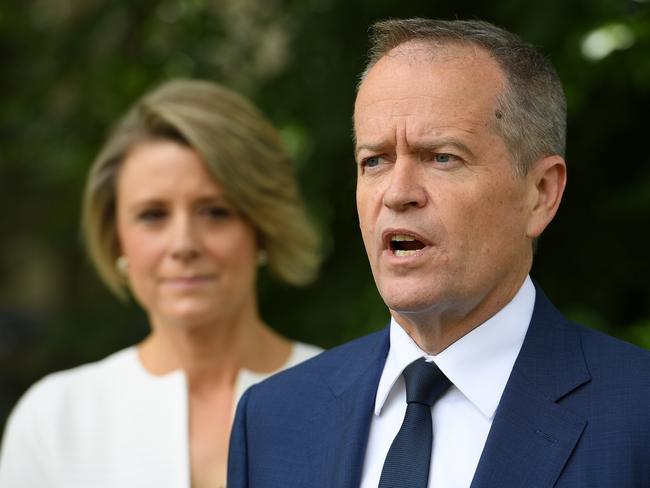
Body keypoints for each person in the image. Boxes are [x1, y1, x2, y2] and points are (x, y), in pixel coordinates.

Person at [227, 18, 650, 488]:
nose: (397, 193)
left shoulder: (636, 415)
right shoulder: (271, 419)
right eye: (375, 161)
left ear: (541, 193)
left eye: (441, 156)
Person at [0, 79, 323, 488]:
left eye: (216, 212)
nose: (183, 244)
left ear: (261, 228)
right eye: (153, 215)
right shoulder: (55, 420)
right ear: (117, 238)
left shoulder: (356, 400)